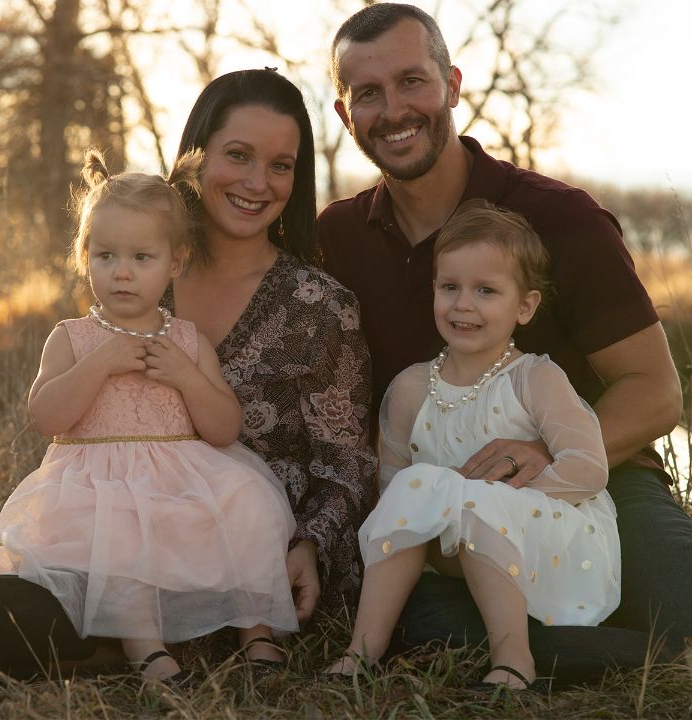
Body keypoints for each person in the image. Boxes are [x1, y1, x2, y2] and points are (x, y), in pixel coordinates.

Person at [318, 3, 688, 659]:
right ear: (347, 116)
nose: (394, 109)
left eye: (412, 81)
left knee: (680, 603)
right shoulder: (337, 241)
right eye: (367, 94)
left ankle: (617, 640)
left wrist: (552, 457)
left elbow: (656, 391)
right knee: (415, 620)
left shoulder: (559, 217)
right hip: (444, 508)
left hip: (594, 479)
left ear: (452, 86)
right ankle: (599, 649)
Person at [0, 148, 299, 683]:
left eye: (141, 259)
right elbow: (45, 415)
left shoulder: (187, 340)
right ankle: (145, 647)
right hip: (96, 485)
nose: (122, 273)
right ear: (85, 257)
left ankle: (256, 630)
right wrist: (97, 365)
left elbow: (223, 428)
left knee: (250, 502)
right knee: (119, 530)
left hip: (179, 481)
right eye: (106, 256)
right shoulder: (72, 339)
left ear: (174, 262)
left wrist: (188, 377)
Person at [325, 201, 620, 689]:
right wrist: (446, 513)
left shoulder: (535, 378)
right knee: (417, 484)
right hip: (453, 549)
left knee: (478, 500)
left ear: (524, 306)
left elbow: (589, 468)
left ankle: (513, 660)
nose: (463, 304)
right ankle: (362, 651)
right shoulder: (411, 389)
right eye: (450, 287)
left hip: (548, 543)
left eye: (486, 290)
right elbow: (394, 490)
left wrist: (499, 501)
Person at [166, 68, 377, 632]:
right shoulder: (144, 282)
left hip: (265, 563)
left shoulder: (320, 307)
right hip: (140, 536)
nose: (258, 183)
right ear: (197, 156)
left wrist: (310, 545)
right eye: (238, 155)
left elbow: (347, 467)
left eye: (280, 166)